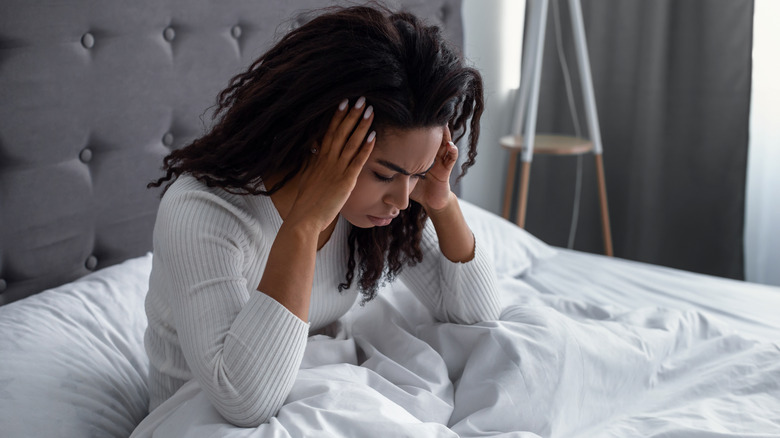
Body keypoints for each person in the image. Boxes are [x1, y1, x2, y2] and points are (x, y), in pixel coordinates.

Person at [143, 4, 501, 428]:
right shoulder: (205, 212)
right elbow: (245, 400)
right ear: (322, 139)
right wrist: (305, 225)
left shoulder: (373, 206)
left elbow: (477, 316)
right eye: (386, 174)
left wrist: (441, 202)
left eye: (416, 174)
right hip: (201, 415)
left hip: (317, 389)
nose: (402, 200)